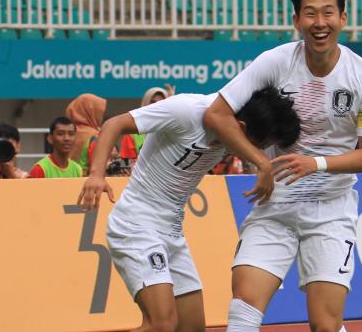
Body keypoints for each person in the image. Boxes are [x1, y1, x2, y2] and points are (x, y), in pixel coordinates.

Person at [202, 0, 362, 332]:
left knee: (325, 325)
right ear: (296, 21)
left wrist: (314, 164)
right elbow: (217, 114)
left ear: (343, 19)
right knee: (242, 311)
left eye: (328, 13)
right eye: (310, 14)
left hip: (332, 211)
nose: (320, 23)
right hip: (275, 206)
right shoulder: (274, 62)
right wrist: (261, 163)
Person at [77, 87, 300, 332]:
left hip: (172, 232)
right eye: (259, 145)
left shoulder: (233, 120)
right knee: (162, 325)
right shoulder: (185, 111)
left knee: (192, 327)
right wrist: (97, 175)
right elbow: (113, 124)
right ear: (242, 128)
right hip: (136, 224)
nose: (258, 153)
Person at [120, 84, 176, 164]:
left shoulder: (173, 131)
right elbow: (125, 166)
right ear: (145, 103)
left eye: (161, 102)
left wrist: (172, 104)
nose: (156, 105)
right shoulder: (131, 135)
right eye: (152, 102)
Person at [66, 93, 107, 175]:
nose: (101, 117)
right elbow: (97, 167)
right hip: (85, 182)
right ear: (91, 112)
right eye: (99, 113)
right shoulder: (94, 136)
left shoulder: (65, 133)